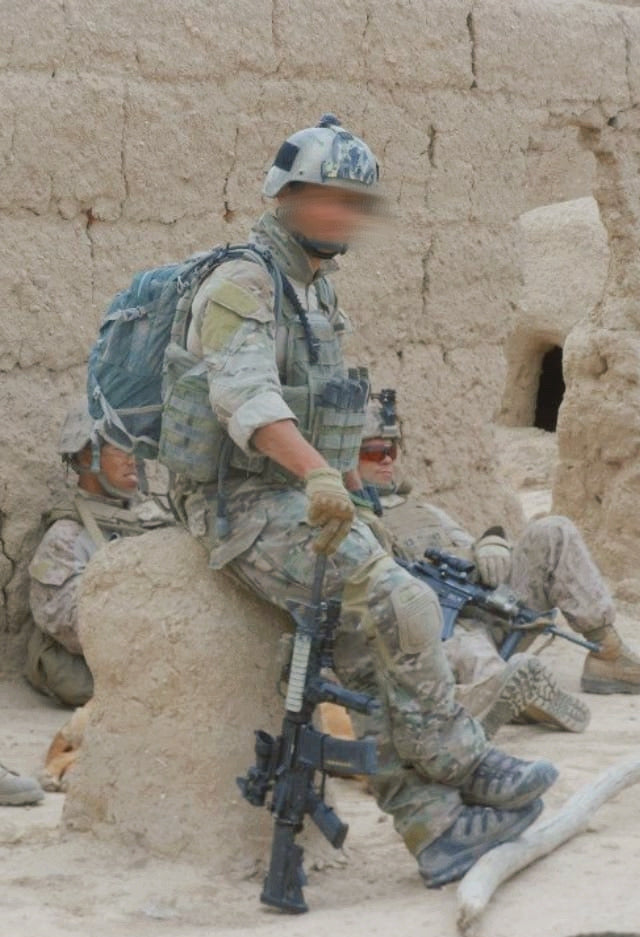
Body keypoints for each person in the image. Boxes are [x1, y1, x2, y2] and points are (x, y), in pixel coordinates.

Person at [162, 114, 558, 888]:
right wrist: (315, 476)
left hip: (301, 495)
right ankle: (461, 758)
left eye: (353, 201)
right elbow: (247, 399)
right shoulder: (243, 284)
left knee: (375, 648)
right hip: (239, 502)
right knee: (400, 602)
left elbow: (323, 418)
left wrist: (346, 490)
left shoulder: (318, 296)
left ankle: (436, 829)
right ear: (287, 195)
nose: (341, 214)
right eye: (327, 197)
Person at [358, 392, 640, 709]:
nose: (386, 460)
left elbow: (465, 543)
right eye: (372, 452)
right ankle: (516, 697)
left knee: (554, 530)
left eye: (391, 450)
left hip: (492, 605)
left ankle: (608, 653)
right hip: (444, 632)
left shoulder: (420, 509)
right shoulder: (357, 525)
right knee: (474, 654)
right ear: (347, 461)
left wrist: (491, 544)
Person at [27, 402, 172, 707]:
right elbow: (71, 626)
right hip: (99, 669)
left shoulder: (152, 518)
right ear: (86, 455)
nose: (133, 459)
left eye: (135, 447)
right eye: (121, 448)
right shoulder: (66, 537)